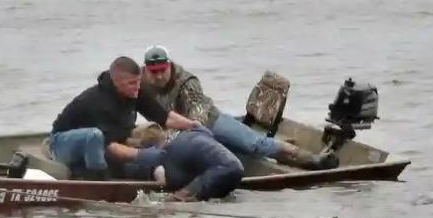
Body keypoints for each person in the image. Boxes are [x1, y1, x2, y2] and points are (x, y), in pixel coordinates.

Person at [138, 45, 338, 170]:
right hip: (173, 131)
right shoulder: (138, 83)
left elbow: (197, 117)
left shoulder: (186, 82)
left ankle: (312, 159)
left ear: (169, 65)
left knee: (255, 145)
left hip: (209, 122)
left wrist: (172, 139)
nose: (159, 76)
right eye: (154, 72)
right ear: (146, 69)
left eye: (163, 70)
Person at [48, 56, 199, 179]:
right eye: (132, 83)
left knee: (152, 134)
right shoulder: (99, 102)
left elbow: (165, 118)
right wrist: (145, 155)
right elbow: (111, 147)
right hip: (62, 143)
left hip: (106, 141)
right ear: (116, 82)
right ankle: (96, 179)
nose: (137, 87)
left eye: (139, 81)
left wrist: (193, 125)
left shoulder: (135, 91)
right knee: (95, 137)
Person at [123, 123, 244, 201]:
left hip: (221, 170)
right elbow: (200, 127)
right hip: (233, 168)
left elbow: (159, 174)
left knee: (172, 200)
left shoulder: (163, 154)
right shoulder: (195, 132)